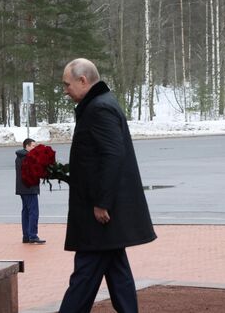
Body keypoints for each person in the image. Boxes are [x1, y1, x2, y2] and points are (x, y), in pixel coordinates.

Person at [59, 58, 156, 312]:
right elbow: (94, 158)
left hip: (100, 213)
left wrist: (102, 202)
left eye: (67, 84)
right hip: (103, 211)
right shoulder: (99, 105)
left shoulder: (99, 108)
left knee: (85, 275)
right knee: (117, 272)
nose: (65, 90)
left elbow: (113, 156)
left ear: (83, 80)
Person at [15, 138, 46, 244]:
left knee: (26, 212)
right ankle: (33, 235)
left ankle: (26, 236)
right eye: (33, 146)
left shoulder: (20, 157)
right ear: (26, 146)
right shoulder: (28, 157)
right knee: (33, 212)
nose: (35, 148)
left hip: (22, 188)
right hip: (30, 188)